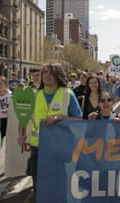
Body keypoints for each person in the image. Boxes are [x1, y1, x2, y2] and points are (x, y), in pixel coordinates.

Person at [17, 63, 83, 195]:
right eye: (45, 72)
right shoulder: (34, 95)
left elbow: (79, 120)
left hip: (61, 148)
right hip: (38, 148)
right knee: (39, 186)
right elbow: (23, 120)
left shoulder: (68, 94)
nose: (47, 75)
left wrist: (59, 117)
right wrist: (21, 135)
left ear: (58, 76)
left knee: (60, 186)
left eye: (51, 72)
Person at [0, 76, 12, 143]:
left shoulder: (12, 96)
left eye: (0, 84)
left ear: (5, 84)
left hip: (9, 120)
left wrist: (8, 110)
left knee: (9, 142)